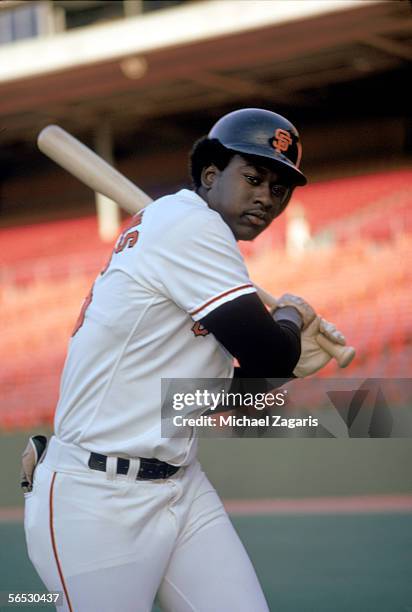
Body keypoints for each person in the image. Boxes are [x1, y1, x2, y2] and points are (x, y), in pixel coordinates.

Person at [21, 108, 345, 612]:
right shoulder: (190, 226)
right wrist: (285, 320)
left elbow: (215, 400)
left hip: (181, 484)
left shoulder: (192, 236)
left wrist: (285, 362)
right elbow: (267, 349)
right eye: (254, 177)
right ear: (211, 175)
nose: (266, 197)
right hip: (97, 498)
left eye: (280, 189)